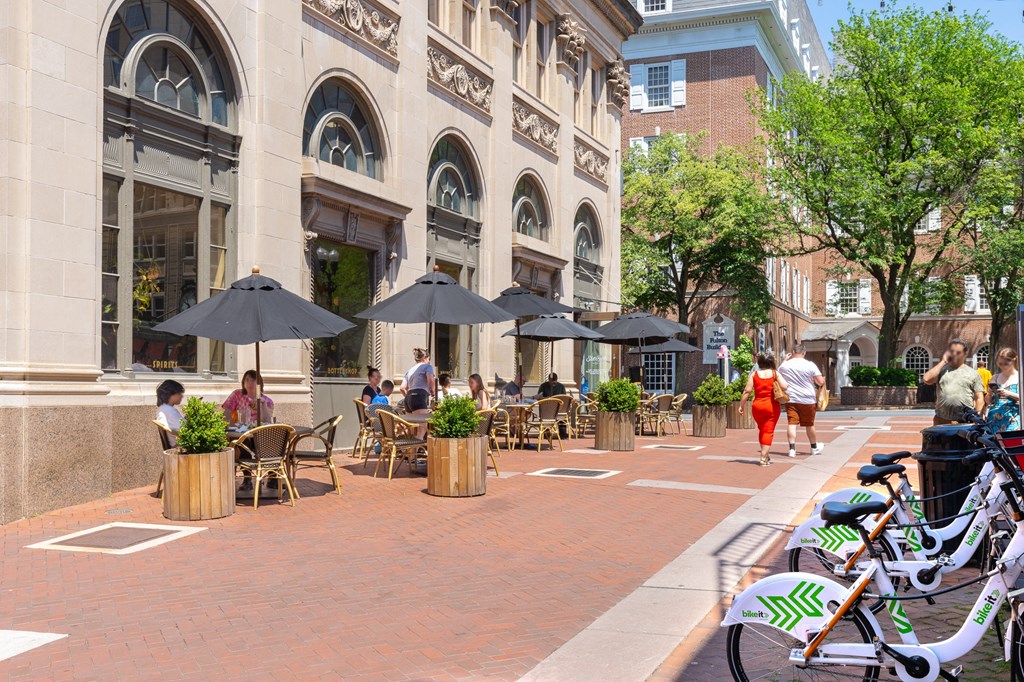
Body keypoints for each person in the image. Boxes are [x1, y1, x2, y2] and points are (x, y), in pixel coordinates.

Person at [739, 353, 788, 467]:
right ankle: (763, 457)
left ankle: (766, 454)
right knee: (768, 431)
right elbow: (785, 386)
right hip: (771, 406)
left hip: (757, 406)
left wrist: (741, 405)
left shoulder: (754, 374)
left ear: (759, 363)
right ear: (771, 363)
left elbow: (747, 391)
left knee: (762, 430)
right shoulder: (775, 373)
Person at [922, 339, 985, 425]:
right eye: (952, 351)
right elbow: (927, 379)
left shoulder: (973, 373)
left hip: (964, 419)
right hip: (942, 419)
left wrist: (978, 417)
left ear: (965, 354)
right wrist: (943, 362)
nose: (954, 354)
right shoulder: (941, 370)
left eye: (958, 352)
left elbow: (979, 397)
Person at [778, 344, 826, 458]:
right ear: (804, 353)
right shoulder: (810, 365)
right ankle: (814, 447)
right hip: (808, 399)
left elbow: (778, 374)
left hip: (791, 398)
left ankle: (792, 449)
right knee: (809, 424)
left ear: (793, 352)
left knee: (792, 423)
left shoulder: (785, 365)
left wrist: (784, 360)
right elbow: (820, 382)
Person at [400, 348, 435, 438]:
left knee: (411, 428)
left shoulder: (410, 370)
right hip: (419, 396)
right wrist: (433, 391)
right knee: (423, 426)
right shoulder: (427, 367)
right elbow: (430, 379)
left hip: (408, 399)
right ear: (425, 357)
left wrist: (408, 397)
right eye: (429, 359)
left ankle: (409, 449)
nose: (429, 361)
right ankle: (416, 449)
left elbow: (402, 388)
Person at [986, 348, 1020, 433]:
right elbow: (988, 402)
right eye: (1000, 363)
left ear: (1014, 360)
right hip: (994, 419)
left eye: (1006, 364)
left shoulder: (1020, 377)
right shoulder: (995, 377)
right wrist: (989, 394)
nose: (1002, 366)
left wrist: (1009, 394)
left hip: (1013, 419)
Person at [155, 379, 185, 445]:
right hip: (180, 446)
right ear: (170, 394)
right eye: (179, 393)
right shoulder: (170, 411)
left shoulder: (163, 408)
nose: (182, 396)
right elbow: (185, 430)